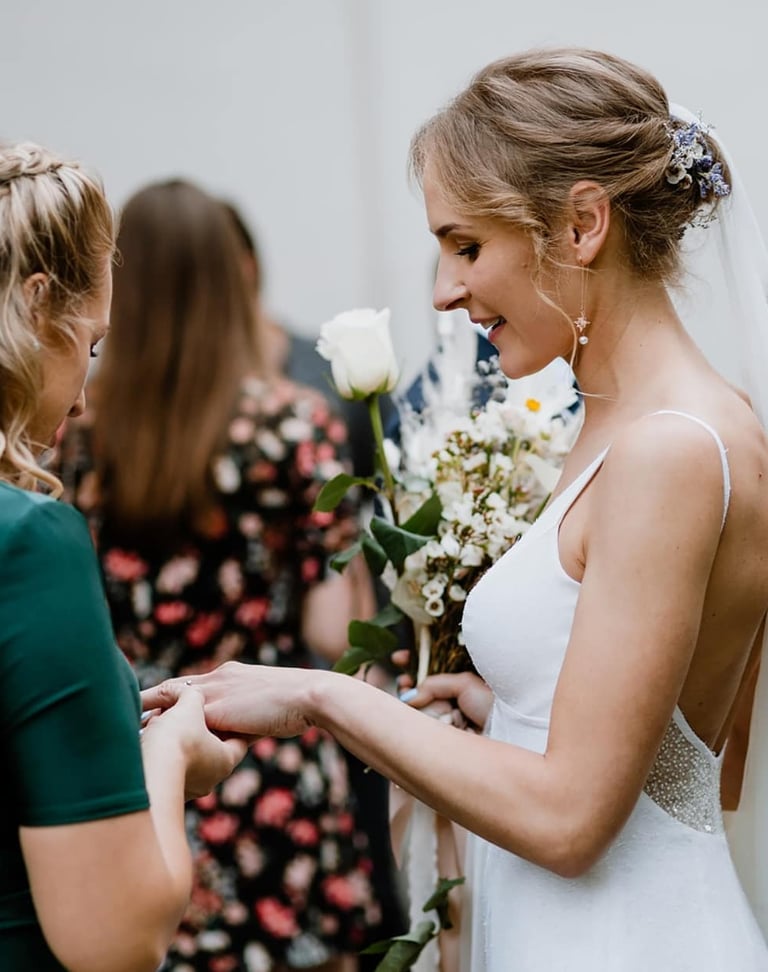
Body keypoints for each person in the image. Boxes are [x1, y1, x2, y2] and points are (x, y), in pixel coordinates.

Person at [142, 48, 768, 970]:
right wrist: (506, 715)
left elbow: (571, 820)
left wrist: (320, 697)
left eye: (466, 246)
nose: (443, 290)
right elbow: (692, 762)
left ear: (583, 225)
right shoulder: (677, 424)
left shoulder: (666, 450)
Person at [53, 180, 383, 972]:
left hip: (139, 763)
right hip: (266, 755)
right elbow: (334, 631)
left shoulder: (76, 437)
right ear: (233, 280)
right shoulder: (295, 424)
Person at [0, 143, 245, 972]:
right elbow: (118, 939)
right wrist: (169, 753)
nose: (80, 398)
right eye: (91, 346)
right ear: (37, 307)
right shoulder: (28, 541)